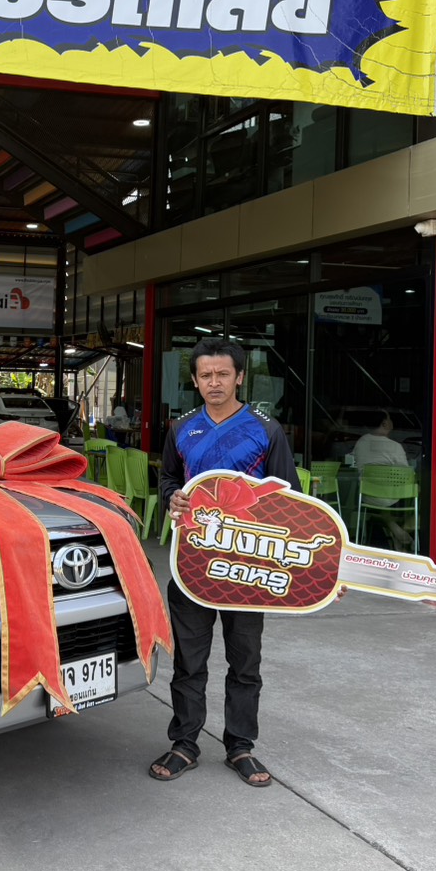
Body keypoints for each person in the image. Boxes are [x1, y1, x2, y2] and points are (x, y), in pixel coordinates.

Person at [149, 338, 299, 789]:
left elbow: (289, 497)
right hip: (192, 563)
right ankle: (185, 743)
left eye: (223, 374)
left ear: (239, 377)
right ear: (195, 381)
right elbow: (168, 479)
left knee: (245, 662)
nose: (214, 382)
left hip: (247, 568)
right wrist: (172, 498)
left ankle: (240, 746)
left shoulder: (266, 430)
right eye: (206, 375)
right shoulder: (181, 428)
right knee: (189, 661)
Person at [351, 411, 413, 547]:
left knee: (373, 498)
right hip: (393, 498)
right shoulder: (395, 446)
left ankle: (388, 523)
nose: (392, 422)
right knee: (419, 493)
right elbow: (406, 474)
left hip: (367, 496)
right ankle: (398, 527)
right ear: (385, 423)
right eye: (390, 418)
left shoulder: (361, 442)